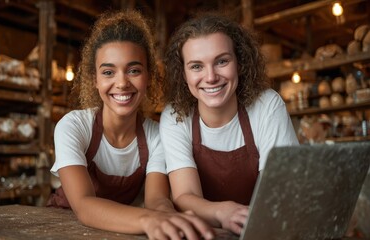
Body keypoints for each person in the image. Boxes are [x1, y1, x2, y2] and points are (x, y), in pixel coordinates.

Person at [49, 10, 215, 240]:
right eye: (108, 72)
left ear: (148, 76)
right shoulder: (74, 126)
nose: (122, 83)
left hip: (117, 232)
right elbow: (84, 205)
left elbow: (156, 200)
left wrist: (170, 217)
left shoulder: (156, 136)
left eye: (134, 70)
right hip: (60, 229)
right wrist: (149, 219)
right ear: (95, 80)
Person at [160, 12, 299, 235]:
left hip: (265, 230)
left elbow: (278, 190)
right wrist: (222, 212)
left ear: (240, 63)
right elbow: (185, 195)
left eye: (222, 61)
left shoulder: (267, 105)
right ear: (183, 75)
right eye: (196, 66)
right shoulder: (175, 116)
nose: (211, 77)